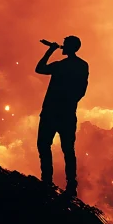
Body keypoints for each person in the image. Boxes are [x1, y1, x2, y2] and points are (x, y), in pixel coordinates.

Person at [36, 36, 89, 195]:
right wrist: (69, 102)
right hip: (67, 113)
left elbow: (39, 68)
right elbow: (82, 90)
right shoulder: (82, 65)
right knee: (68, 149)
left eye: (64, 45)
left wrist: (50, 50)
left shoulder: (60, 65)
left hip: (51, 111)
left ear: (69, 47)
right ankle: (71, 184)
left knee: (44, 145)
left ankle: (47, 180)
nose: (62, 46)